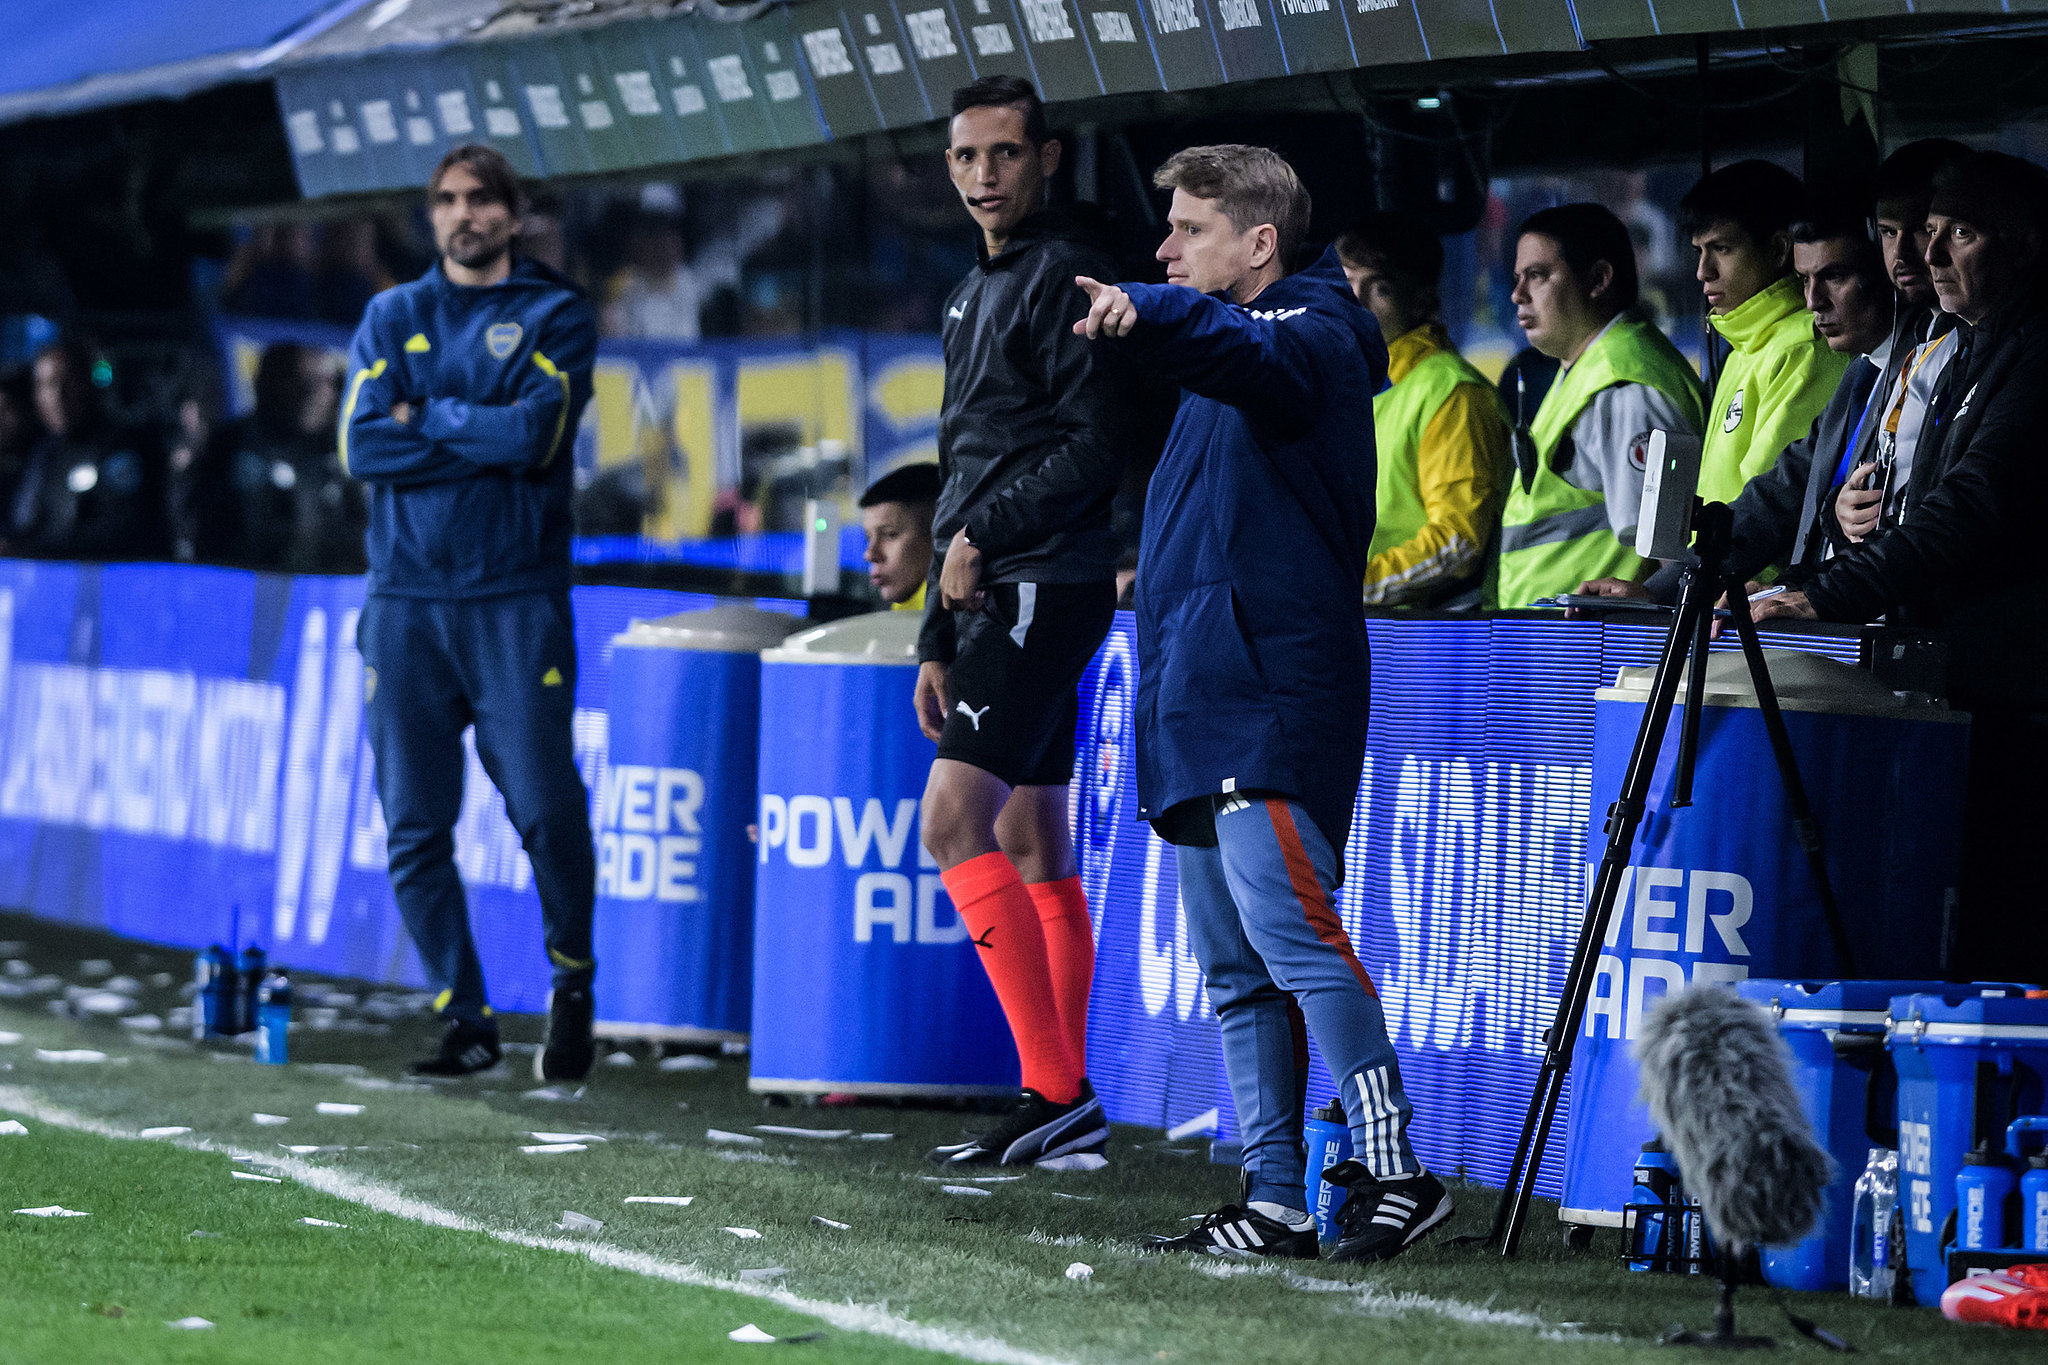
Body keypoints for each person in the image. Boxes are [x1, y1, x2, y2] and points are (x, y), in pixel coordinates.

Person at [1075, 143, 1452, 1265]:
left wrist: (1147, 310)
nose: (1164, 249)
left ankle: (1396, 1169)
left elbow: (1242, 352)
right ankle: (1274, 1195)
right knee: (1236, 971)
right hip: (1199, 700)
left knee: (1293, 938)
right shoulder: (1229, 352)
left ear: (1259, 242)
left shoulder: (1313, 332)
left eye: (1187, 230)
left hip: (1268, 697)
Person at [1752, 151, 2048, 983]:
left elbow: (1971, 507)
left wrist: (1826, 593)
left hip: (2016, 701)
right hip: (1960, 686)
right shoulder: (1967, 346)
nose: (1929, 254)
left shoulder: (2033, 352)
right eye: (1923, 232)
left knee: (2001, 940)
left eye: (1961, 233)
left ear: (2021, 243)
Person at [341, 144, 599, 1080]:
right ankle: (466, 1016)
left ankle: (572, 981)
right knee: (413, 829)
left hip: (514, 599)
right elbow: (362, 447)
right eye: (447, 200)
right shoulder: (391, 315)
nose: (463, 214)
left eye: (481, 198)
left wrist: (430, 414)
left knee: (545, 808)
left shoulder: (556, 314)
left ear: (515, 214)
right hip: (405, 602)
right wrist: (473, 427)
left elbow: (534, 436)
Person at [916, 76, 1130, 1166]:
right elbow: (965, 463)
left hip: (1043, 579)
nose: (983, 175)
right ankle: (1064, 1096)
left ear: (1046, 158)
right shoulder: (971, 290)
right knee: (1030, 836)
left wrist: (981, 540)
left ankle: (1052, 1088)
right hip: (994, 585)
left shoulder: (1063, 274)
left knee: (951, 823)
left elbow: (1096, 444)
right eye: (966, 156)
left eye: (1004, 153)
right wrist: (932, 631)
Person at [1581, 203, 1898, 603]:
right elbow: (1776, 495)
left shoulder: (1806, 350)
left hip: (1780, 605)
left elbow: (1785, 508)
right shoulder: (1854, 370)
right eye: (1804, 280)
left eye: (1722, 248)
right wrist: (1658, 592)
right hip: (1752, 599)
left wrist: (1807, 592)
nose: (1814, 300)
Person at [1494, 205, 1706, 607]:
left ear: (1597, 280)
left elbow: (1667, 552)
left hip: (1596, 636)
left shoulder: (1623, 386)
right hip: (1561, 632)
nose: (1517, 294)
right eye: (1517, 278)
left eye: (1537, 276)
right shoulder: (1587, 367)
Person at [1335, 211, 1510, 607]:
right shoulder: (1347, 385)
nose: (1354, 302)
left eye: (1379, 289)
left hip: (1419, 634)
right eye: (1345, 283)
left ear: (1419, 302)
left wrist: (1350, 589)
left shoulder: (1452, 393)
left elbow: (1458, 540)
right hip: (1357, 625)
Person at [1683, 160, 1852, 504]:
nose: (1703, 271)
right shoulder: (1743, 349)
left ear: (1778, 250)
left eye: (1721, 249)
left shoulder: (1804, 348)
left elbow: (1768, 502)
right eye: (1699, 251)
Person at [191, 342, 355, 570]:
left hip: (321, 587)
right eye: (298, 381)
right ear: (265, 384)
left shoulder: (343, 459)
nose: (312, 393)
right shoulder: (228, 446)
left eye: (325, 382)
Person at [7, 338, 167, 561]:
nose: (58, 396)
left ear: (88, 383)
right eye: (47, 384)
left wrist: (32, 549)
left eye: (68, 381)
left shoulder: (119, 448)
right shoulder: (42, 454)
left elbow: (120, 531)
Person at [859, 462, 939, 609]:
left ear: (939, 534)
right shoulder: (905, 612)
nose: (870, 555)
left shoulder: (958, 615)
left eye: (889, 535)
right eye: (868, 537)